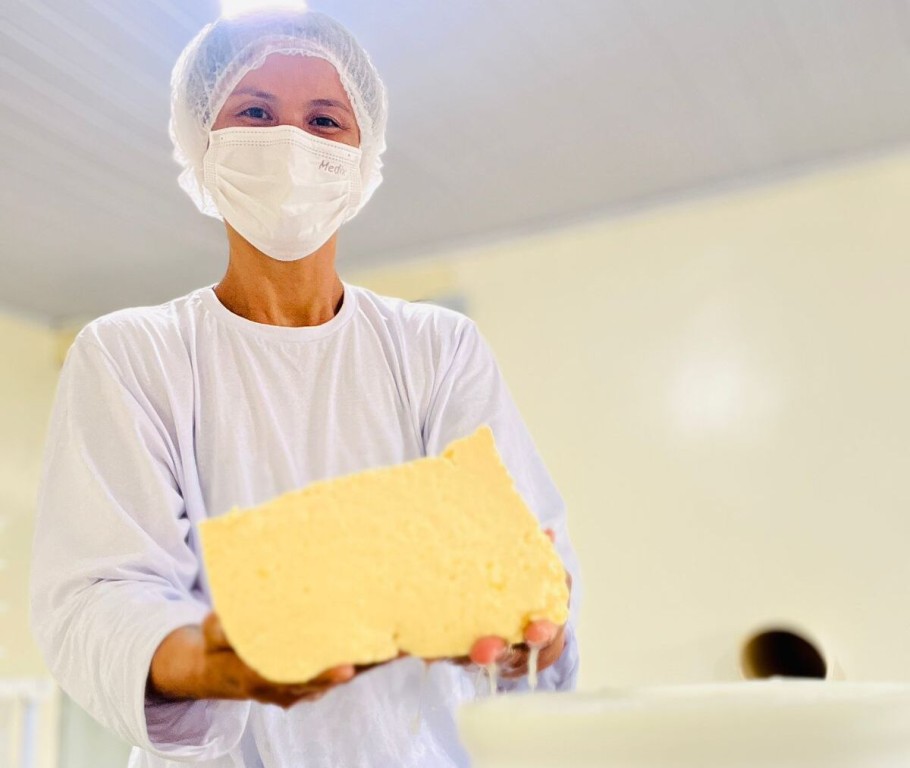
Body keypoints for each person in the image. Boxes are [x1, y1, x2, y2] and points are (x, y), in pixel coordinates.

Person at [30, 8, 581, 767]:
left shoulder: (438, 348)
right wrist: (196, 659)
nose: (291, 144)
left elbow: (524, 567)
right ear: (201, 141)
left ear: (362, 156)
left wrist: (529, 636)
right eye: (255, 113)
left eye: (325, 120)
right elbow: (96, 593)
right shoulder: (133, 355)